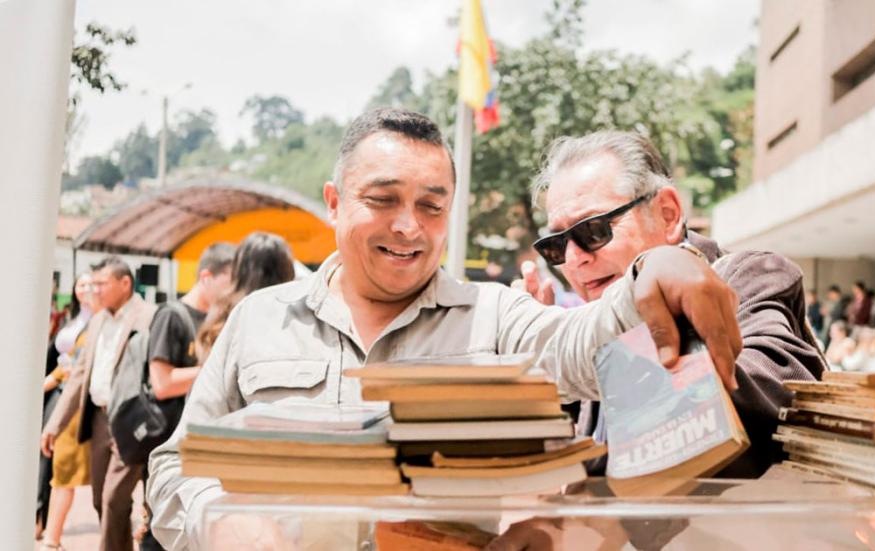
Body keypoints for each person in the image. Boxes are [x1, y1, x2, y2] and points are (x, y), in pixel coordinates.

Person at [147, 108, 743, 550]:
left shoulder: (494, 316)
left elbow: (583, 346)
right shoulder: (260, 318)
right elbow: (174, 466)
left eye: (432, 207)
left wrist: (657, 267)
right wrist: (219, 519)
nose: (409, 227)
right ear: (334, 202)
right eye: (383, 200)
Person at [520, 130, 825, 477]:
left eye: (593, 231)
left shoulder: (749, 278)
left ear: (667, 214)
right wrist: (541, 377)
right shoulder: (592, 333)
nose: (574, 259)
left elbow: (776, 399)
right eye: (556, 246)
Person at [41, 256, 157, 551]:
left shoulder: (149, 318)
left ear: (125, 283)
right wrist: (54, 425)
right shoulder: (98, 320)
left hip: (131, 421)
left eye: (101, 284)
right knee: (100, 500)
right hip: (99, 420)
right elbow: (79, 374)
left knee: (113, 498)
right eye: (91, 284)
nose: (94, 291)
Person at [137, 242, 235, 550]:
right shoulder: (172, 315)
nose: (234, 290)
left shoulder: (222, 319)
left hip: (201, 446)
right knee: (161, 528)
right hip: (168, 441)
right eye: (230, 280)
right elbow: (162, 383)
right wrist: (217, 371)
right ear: (206, 276)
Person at [40, 273, 96, 549]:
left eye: (91, 284)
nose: (85, 289)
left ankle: (51, 538)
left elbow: (76, 365)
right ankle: (47, 531)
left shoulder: (99, 320)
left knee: (64, 470)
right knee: (53, 466)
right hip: (62, 390)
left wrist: (52, 380)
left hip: (78, 398)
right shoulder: (72, 319)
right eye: (81, 284)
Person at [195, 232, 296, 362]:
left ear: (239, 267)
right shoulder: (296, 313)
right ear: (287, 269)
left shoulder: (222, 311)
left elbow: (207, 364)